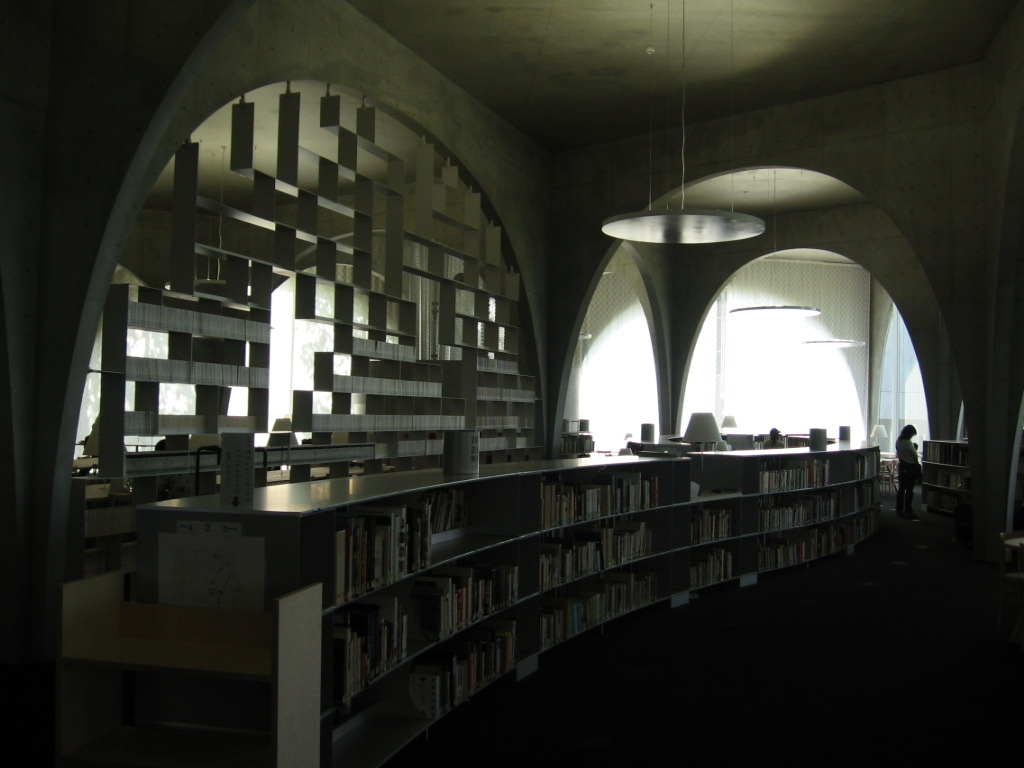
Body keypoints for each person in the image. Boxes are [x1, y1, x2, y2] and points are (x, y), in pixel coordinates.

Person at [895, 424, 922, 518]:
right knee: (909, 490)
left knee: (901, 489)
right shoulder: (908, 442)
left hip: (902, 466)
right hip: (910, 467)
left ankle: (899, 509)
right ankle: (908, 510)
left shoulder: (898, 441)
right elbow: (914, 455)